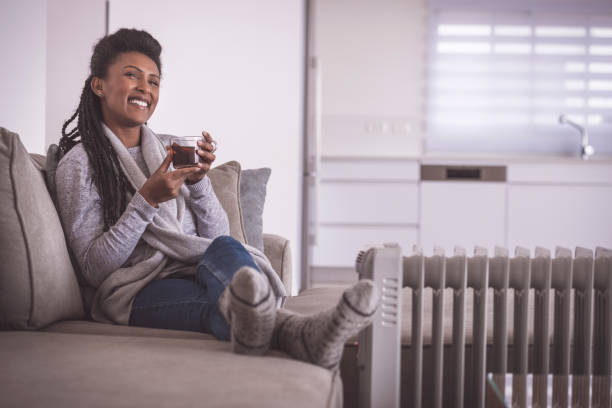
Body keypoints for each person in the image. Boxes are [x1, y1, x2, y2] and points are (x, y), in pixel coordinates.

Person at [55, 28, 379, 370]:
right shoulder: (79, 165)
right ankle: (302, 333)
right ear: (99, 85)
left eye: (153, 81)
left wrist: (199, 183)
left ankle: (294, 335)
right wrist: (146, 200)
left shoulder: (170, 147)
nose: (144, 89)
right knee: (221, 306)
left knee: (226, 254)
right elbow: (92, 268)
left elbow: (212, 238)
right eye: (131, 76)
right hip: (134, 290)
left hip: (195, 268)